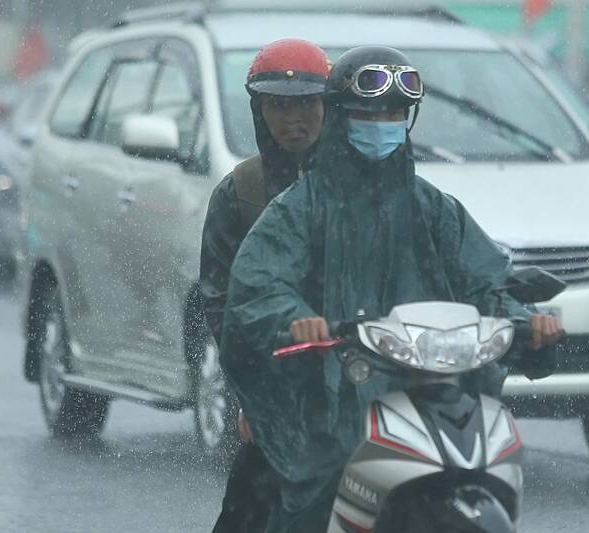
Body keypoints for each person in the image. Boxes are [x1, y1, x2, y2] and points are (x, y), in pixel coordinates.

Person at [219, 45, 562, 533]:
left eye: (395, 114)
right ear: (339, 118)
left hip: (429, 389)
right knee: (309, 492)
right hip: (328, 398)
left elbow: (485, 281)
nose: (383, 124)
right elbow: (257, 286)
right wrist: (295, 319)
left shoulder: (434, 208)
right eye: (368, 113)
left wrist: (526, 323)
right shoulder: (300, 209)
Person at [198, 38, 330, 533]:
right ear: (260, 110)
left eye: (307, 104)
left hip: (359, 371)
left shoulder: (361, 186)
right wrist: (254, 396)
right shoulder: (240, 193)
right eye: (279, 105)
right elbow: (221, 304)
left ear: (328, 107)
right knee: (253, 508)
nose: (293, 119)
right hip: (275, 386)